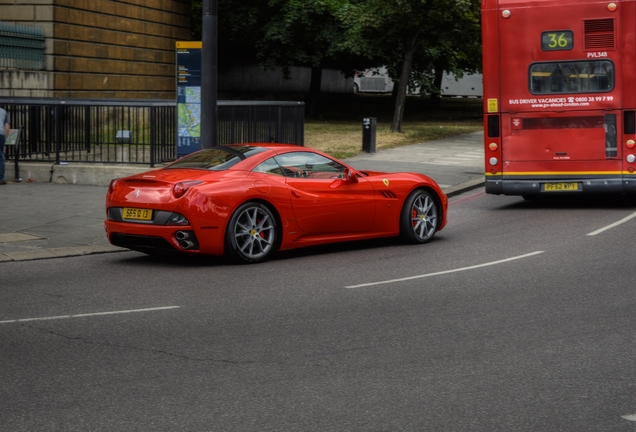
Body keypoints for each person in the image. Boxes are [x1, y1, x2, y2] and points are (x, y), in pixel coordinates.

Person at [0, 106, 9, 185]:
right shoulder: (3, 111)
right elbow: (7, 127)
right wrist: (5, 142)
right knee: (1, 156)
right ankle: (1, 178)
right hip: (0, 133)